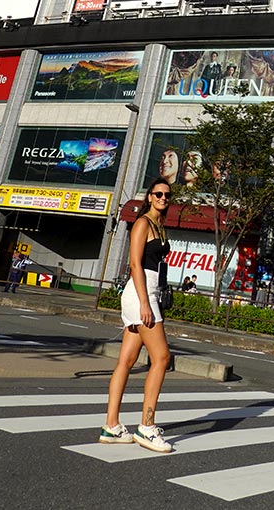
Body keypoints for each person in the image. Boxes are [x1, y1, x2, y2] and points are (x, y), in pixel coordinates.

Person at [100, 177, 173, 452]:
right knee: (161, 357)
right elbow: (134, 263)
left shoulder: (159, 225)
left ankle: (112, 426)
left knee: (127, 360)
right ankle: (147, 427)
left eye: (167, 195)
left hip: (149, 293)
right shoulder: (143, 223)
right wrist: (144, 302)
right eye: (158, 194)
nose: (163, 198)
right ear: (149, 196)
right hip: (140, 294)